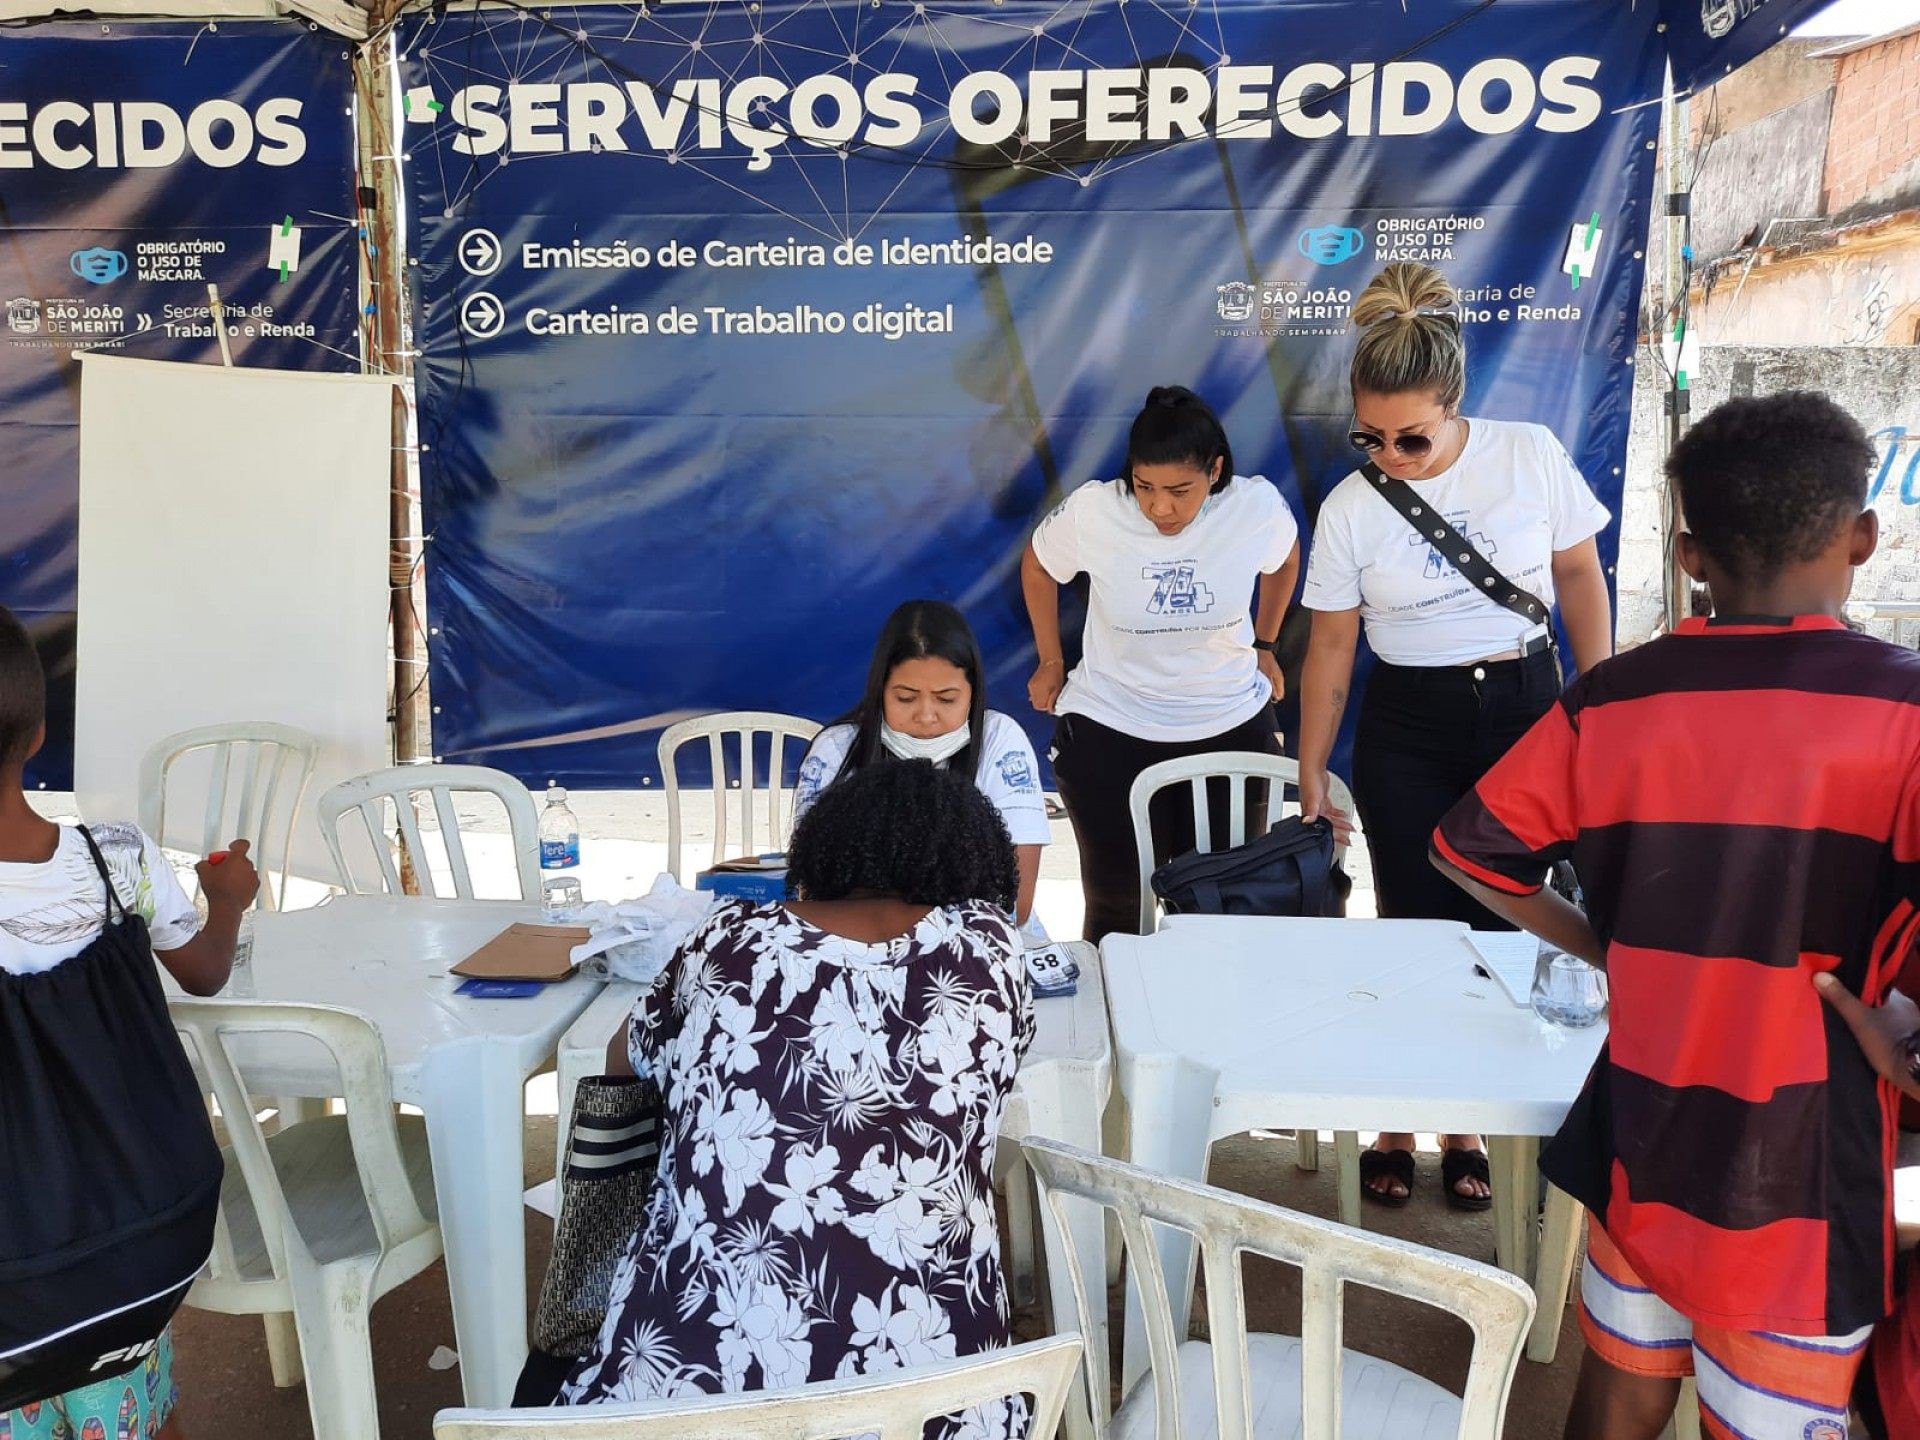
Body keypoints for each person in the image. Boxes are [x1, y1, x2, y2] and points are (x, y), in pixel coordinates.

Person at [1430, 393, 1914, 1440]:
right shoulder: (1904, 713)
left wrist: (1611, 949)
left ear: (1689, 552)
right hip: (1795, 1179)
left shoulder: (1615, 701)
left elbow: (1469, 850)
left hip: (1641, 1139)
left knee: (1618, 1391)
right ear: (1864, 537)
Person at [561, 760, 1033, 1434]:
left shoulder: (726, 941)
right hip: (942, 1410)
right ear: (973, 859)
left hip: (681, 1400)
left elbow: (623, 1063)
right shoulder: (994, 953)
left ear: (824, 848)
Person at [1295, 261, 1613, 1209]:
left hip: (1524, 705)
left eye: (1411, 436)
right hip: (1409, 719)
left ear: (1455, 400)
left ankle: (1467, 1122)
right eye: (1369, 436)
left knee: (1509, 915)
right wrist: (1309, 767)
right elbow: (1330, 651)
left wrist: (1596, 712)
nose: (1388, 452)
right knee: (1412, 918)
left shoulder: (1529, 455)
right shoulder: (1352, 507)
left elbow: (1581, 581)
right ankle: (1400, 1117)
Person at [0, 605, 258, 1440]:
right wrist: (227, 900)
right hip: (136, 1246)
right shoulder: (118, 860)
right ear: (38, 734)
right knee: (140, 1420)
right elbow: (207, 973)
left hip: (10, 1283)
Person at [1022, 384, 1301, 943]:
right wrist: (1051, 659)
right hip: (1111, 720)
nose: (1159, 507)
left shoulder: (1254, 507)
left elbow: (1287, 559)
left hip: (1227, 719)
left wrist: (1265, 647)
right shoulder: (1095, 510)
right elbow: (1037, 565)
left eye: (1180, 490)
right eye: (1145, 487)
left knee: (1223, 912)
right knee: (1115, 913)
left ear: (1216, 471)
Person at [793, 599, 1049, 932]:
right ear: (879, 689)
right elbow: (811, 892)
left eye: (946, 699)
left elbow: (1016, 904)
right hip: (855, 946)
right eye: (905, 697)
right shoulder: (836, 750)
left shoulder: (1001, 740)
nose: (926, 716)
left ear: (973, 693)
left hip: (978, 939)